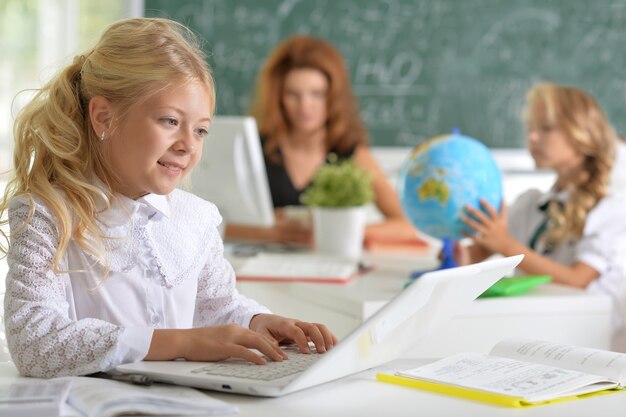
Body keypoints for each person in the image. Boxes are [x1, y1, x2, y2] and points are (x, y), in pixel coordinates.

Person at [0, 18, 337, 379]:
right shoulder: (48, 213)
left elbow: (215, 306)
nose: (188, 145)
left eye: (201, 130)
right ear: (104, 117)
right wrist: (180, 343)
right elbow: (33, 342)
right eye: (169, 121)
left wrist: (255, 321)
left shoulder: (196, 218)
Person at [457, 82, 626, 347]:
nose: (533, 138)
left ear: (583, 132)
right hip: (529, 334)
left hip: (581, 344)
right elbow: (474, 255)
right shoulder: (530, 205)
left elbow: (577, 280)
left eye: (546, 128)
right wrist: (453, 244)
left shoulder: (611, 210)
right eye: (530, 129)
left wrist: (506, 245)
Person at [225, 35, 418, 245]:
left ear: (333, 97)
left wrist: (333, 231)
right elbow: (214, 225)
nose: (305, 106)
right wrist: (267, 233)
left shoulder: (349, 153)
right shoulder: (252, 150)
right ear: (278, 97)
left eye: (317, 94)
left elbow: (406, 224)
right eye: (293, 94)